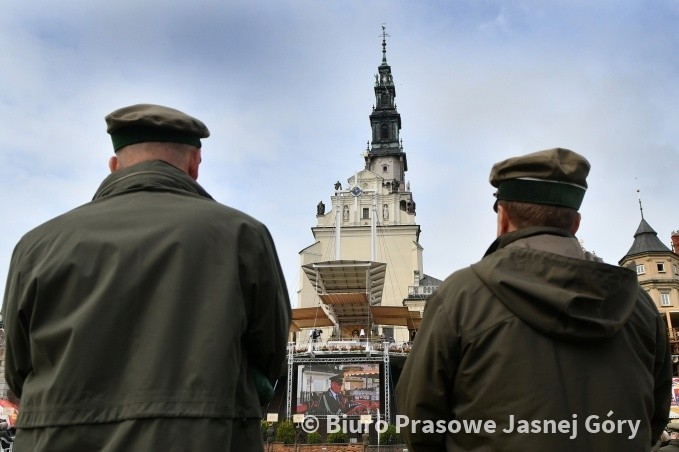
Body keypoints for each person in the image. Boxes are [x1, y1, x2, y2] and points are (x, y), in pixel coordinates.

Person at [1, 103, 291, 451]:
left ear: (113, 165)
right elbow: (270, 358)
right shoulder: (243, 236)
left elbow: (18, 371)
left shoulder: (36, 245)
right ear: (194, 164)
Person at [396, 148, 672, 451]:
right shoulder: (640, 306)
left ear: (503, 218)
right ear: (575, 223)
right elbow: (654, 419)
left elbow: (418, 423)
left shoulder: (459, 297)